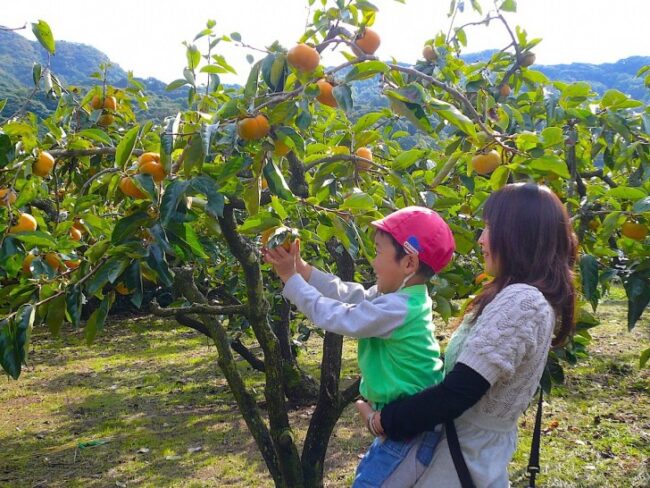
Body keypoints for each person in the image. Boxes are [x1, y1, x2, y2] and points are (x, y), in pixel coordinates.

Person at [355, 183, 578, 487]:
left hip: (460, 461)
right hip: (464, 453)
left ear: (518, 235)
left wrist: (385, 420)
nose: (481, 239)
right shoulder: (517, 296)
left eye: (490, 228)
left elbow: (457, 392)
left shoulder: (523, 301)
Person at [263, 206, 455, 487]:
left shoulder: (399, 308)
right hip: (403, 426)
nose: (374, 262)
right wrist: (304, 272)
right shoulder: (402, 297)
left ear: (409, 264)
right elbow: (351, 294)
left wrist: (291, 280)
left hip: (409, 435)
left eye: (378, 252)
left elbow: (341, 317)